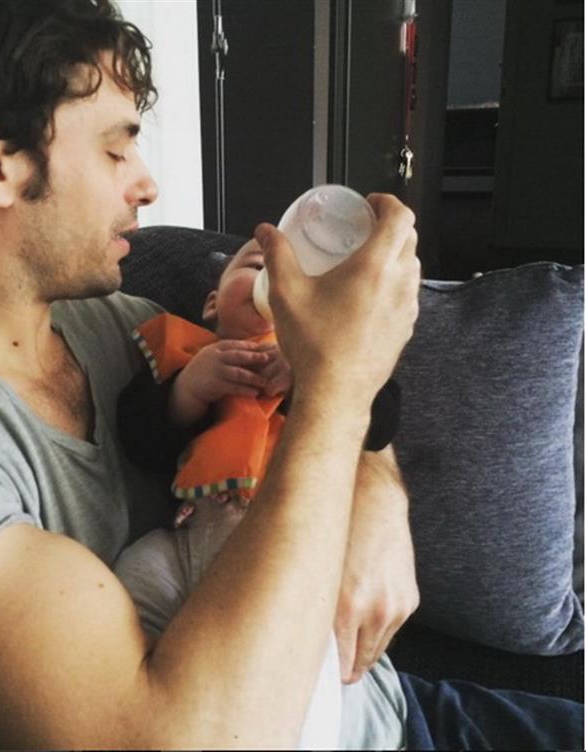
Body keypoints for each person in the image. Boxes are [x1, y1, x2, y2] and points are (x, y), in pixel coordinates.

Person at [0, 1, 580, 749]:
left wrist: (376, 495)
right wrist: (341, 385)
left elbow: (296, 415)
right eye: (116, 147)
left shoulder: (134, 327)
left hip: (405, 710)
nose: (148, 183)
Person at [113, 238, 408, 749]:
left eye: (306, 279)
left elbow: (380, 420)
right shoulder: (185, 354)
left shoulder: (329, 358)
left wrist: (314, 375)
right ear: (212, 303)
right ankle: (146, 694)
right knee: (132, 575)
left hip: (288, 547)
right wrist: (187, 391)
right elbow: (140, 439)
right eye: (256, 266)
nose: (277, 283)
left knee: (302, 646)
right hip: (186, 536)